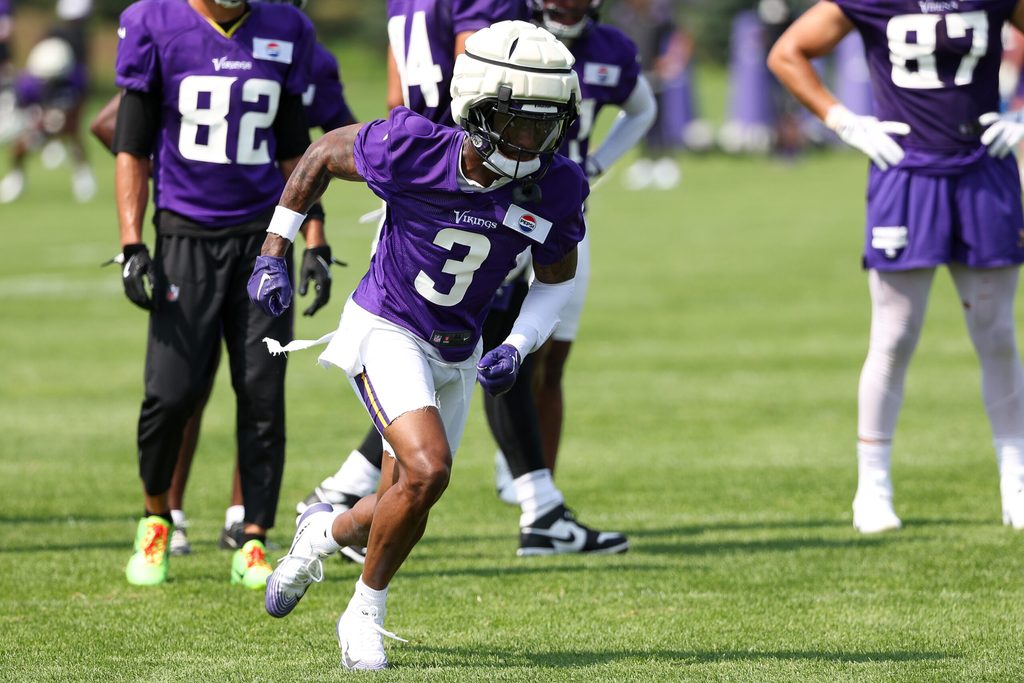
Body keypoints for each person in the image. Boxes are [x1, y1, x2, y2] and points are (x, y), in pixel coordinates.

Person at [254, 20, 587, 669]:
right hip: (387, 325)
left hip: (458, 346)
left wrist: (518, 343)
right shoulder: (413, 146)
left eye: (544, 124)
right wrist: (274, 250)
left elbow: (556, 283)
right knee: (430, 466)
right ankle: (364, 613)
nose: (531, 139)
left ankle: (321, 531)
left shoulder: (556, 185)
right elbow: (321, 154)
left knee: (411, 489)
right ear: (479, 110)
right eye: (517, 122)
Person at [297, 0, 630, 558]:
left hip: (441, 164)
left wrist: (408, 150)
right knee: (431, 431)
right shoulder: (486, 20)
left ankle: (340, 506)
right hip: (467, 171)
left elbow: (398, 88)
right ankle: (537, 502)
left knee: (442, 398)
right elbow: (487, 77)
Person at [768, 0, 1024, 533]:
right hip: (905, 170)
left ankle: (1015, 480)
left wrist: (1021, 116)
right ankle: (873, 487)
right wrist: (843, 121)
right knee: (894, 336)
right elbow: (787, 53)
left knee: (997, 333)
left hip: (982, 168)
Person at [113, 0, 322, 587]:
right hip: (186, 234)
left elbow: (293, 147)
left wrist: (316, 237)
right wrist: (132, 243)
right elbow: (130, 142)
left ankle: (252, 536)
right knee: (170, 393)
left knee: (261, 390)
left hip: (264, 241)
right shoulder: (155, 22)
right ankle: (155, 518)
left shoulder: (286, 26)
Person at [0, 32, 95, 204]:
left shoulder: (75, 79)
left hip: (63, 117)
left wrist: (59, 121)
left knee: (73, 135)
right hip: (38, 117)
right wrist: (36, 122)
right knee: (20, 146)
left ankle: (83, 176)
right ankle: (16, 178)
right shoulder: (29, 84)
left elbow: (78, 106)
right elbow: (25, 108)